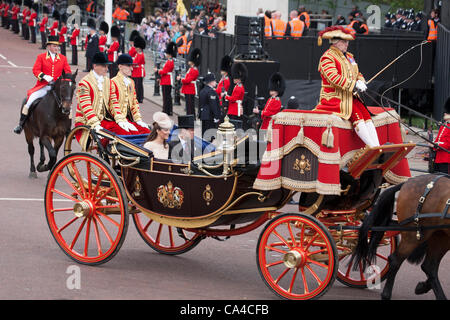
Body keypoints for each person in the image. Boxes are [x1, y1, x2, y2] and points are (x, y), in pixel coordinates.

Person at [315, 26, 380, 147]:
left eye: (347, 42)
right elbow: (334, 78)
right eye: (344, 42)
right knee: (357, 115)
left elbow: (357, 73)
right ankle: (372, 147)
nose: (347, 44)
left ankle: (377, 146)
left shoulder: (349, 56)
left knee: (366, 115)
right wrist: (353, 84)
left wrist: (360, 81)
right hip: (334, 98)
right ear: (336, 42)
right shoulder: (327, 57)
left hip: (349, 96)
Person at [13, 35, 72, 134]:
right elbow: (35, 70)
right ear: (49, 46)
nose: (56, 48)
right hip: (44, 87)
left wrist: (64, 80)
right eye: (54, 46)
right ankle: (21, 124)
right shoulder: (41, 57)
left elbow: (68, 72)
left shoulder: (63, 58)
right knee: (29, 101)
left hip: (57, 89)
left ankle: (68, 130)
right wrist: (44, 76)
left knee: (68, 105)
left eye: (58, 46)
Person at [75, 52, 136, 135]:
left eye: (107, 66)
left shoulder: (107, 81)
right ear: (95, 66)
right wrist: (95, 123)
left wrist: (120, 120)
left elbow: (114, 102)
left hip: (105, 120)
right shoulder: (84, 83)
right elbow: (86, 106)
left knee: (129, 132)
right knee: (118, 136)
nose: (107, 69)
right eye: (104, 66)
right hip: (86, 121)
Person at [111, 54, 150, 135]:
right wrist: (121, 121)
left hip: (128, 119)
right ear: (120, 66)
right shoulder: (113, 82)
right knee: (132, 134)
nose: (132, 68)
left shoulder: (131, 82)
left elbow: (134, 103)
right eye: (129, 66)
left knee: (147, 132)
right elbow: (113, 105)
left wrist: (138, 119)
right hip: (115, 120)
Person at [154, 41, 176, 116]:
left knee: (166, 96)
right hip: (165, 79)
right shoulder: (169, 61)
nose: (166, 55)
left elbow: (165, 71)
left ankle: (166, 110)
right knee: (167, 96)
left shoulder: (170, 62)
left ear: (169, 54)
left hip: (167, 80)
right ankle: (167, 110)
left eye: (167, 54)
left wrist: (158, 70)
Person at [179, 48, 200, 117]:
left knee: (190, 106)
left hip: (190, 89)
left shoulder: (194, 70)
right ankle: (189, 118)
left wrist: (181, 79)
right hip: (188, 89)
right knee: (188, 105)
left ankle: (191, 119)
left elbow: (188, 80)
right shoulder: (191, 69)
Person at [199, 72, 221, 139]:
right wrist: (217, 116)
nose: (215, 82)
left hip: (204, 115)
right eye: (214, 81)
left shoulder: (202, 90)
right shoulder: (211, 91)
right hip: (210, 117)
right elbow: (213, 105)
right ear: (210, 82)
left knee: (205, 135)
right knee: (210, 136)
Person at [433, 98, 450, 174]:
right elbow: (437, 140)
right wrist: (433, 144)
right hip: (438, 158)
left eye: (447, 113)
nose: (444, 113)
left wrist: (437, 144)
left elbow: (448, 144)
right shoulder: (443, 126)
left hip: (446, 159)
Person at [131, 35, 146, 103]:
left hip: (139, 71)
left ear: (139, 48)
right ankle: (139, 97)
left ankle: (139, 97)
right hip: (137, 71)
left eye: (136, 47)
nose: (135, 48)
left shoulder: (140, 54)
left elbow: (136, 63)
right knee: (138, 85)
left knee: (138, 85)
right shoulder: (138, 54)